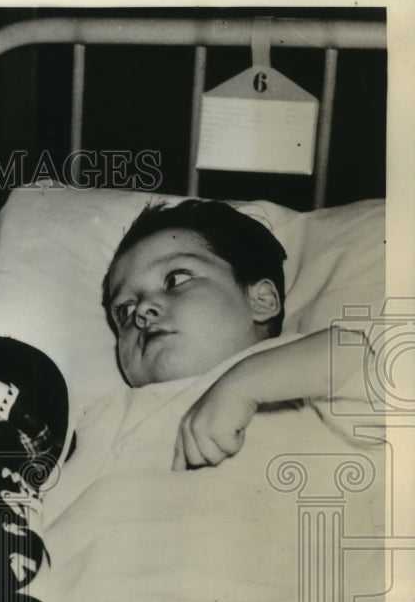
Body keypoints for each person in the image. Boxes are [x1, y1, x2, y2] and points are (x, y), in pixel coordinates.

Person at [102, 199, 371, 470]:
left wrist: (243, 387)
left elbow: (362, 361)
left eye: (174, 281)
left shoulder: (296, 373)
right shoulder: (107, 414)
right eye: (124, 310)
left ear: (261, 301)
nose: (142, 310)